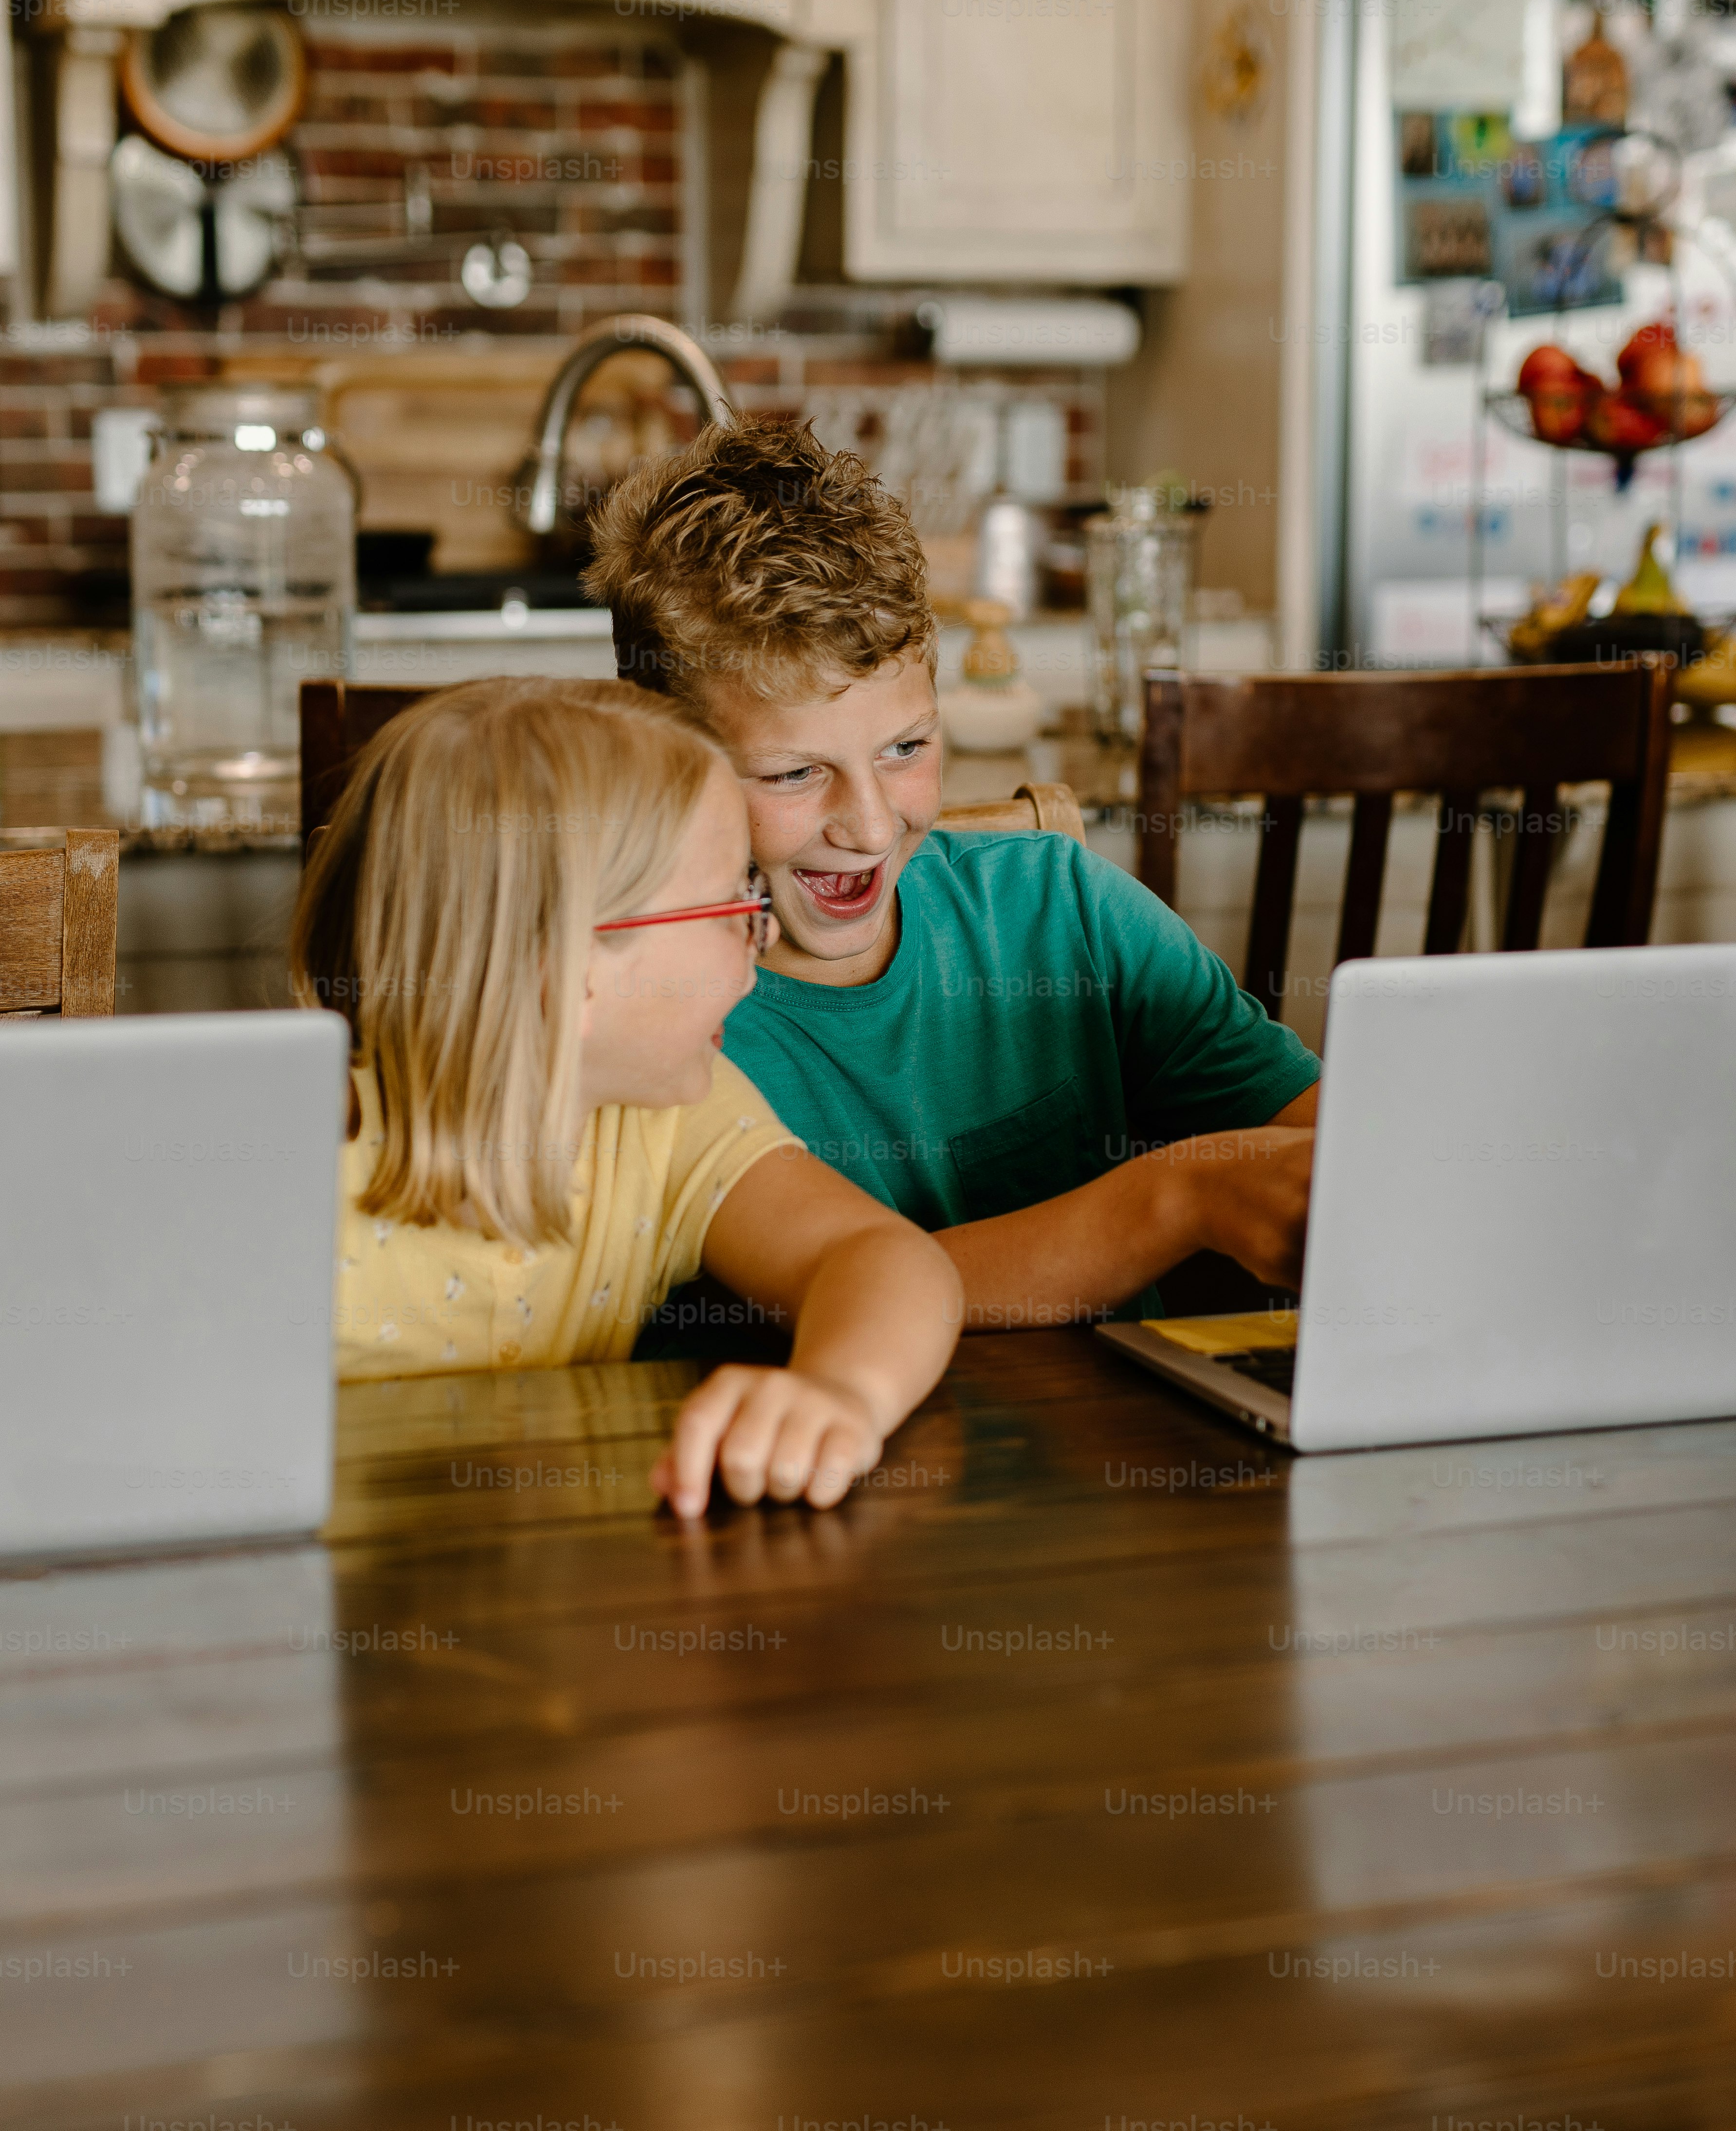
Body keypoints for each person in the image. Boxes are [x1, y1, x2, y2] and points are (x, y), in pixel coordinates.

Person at [583, 419, 1321, 1328]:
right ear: (660, 764)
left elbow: (1327, 1139)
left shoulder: (1061, 910)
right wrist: (1177, 1198)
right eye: (793, 773)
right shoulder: (647, 1022)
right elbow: (848, 1290)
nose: (870, 825)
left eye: (906, 748)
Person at [292, 678, 959, 1518]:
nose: (760, 940)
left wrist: (843, 1391)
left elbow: (881, 1258)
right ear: (570, 971)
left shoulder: (667, 1117)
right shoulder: (286, 1166)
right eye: (733, 907)